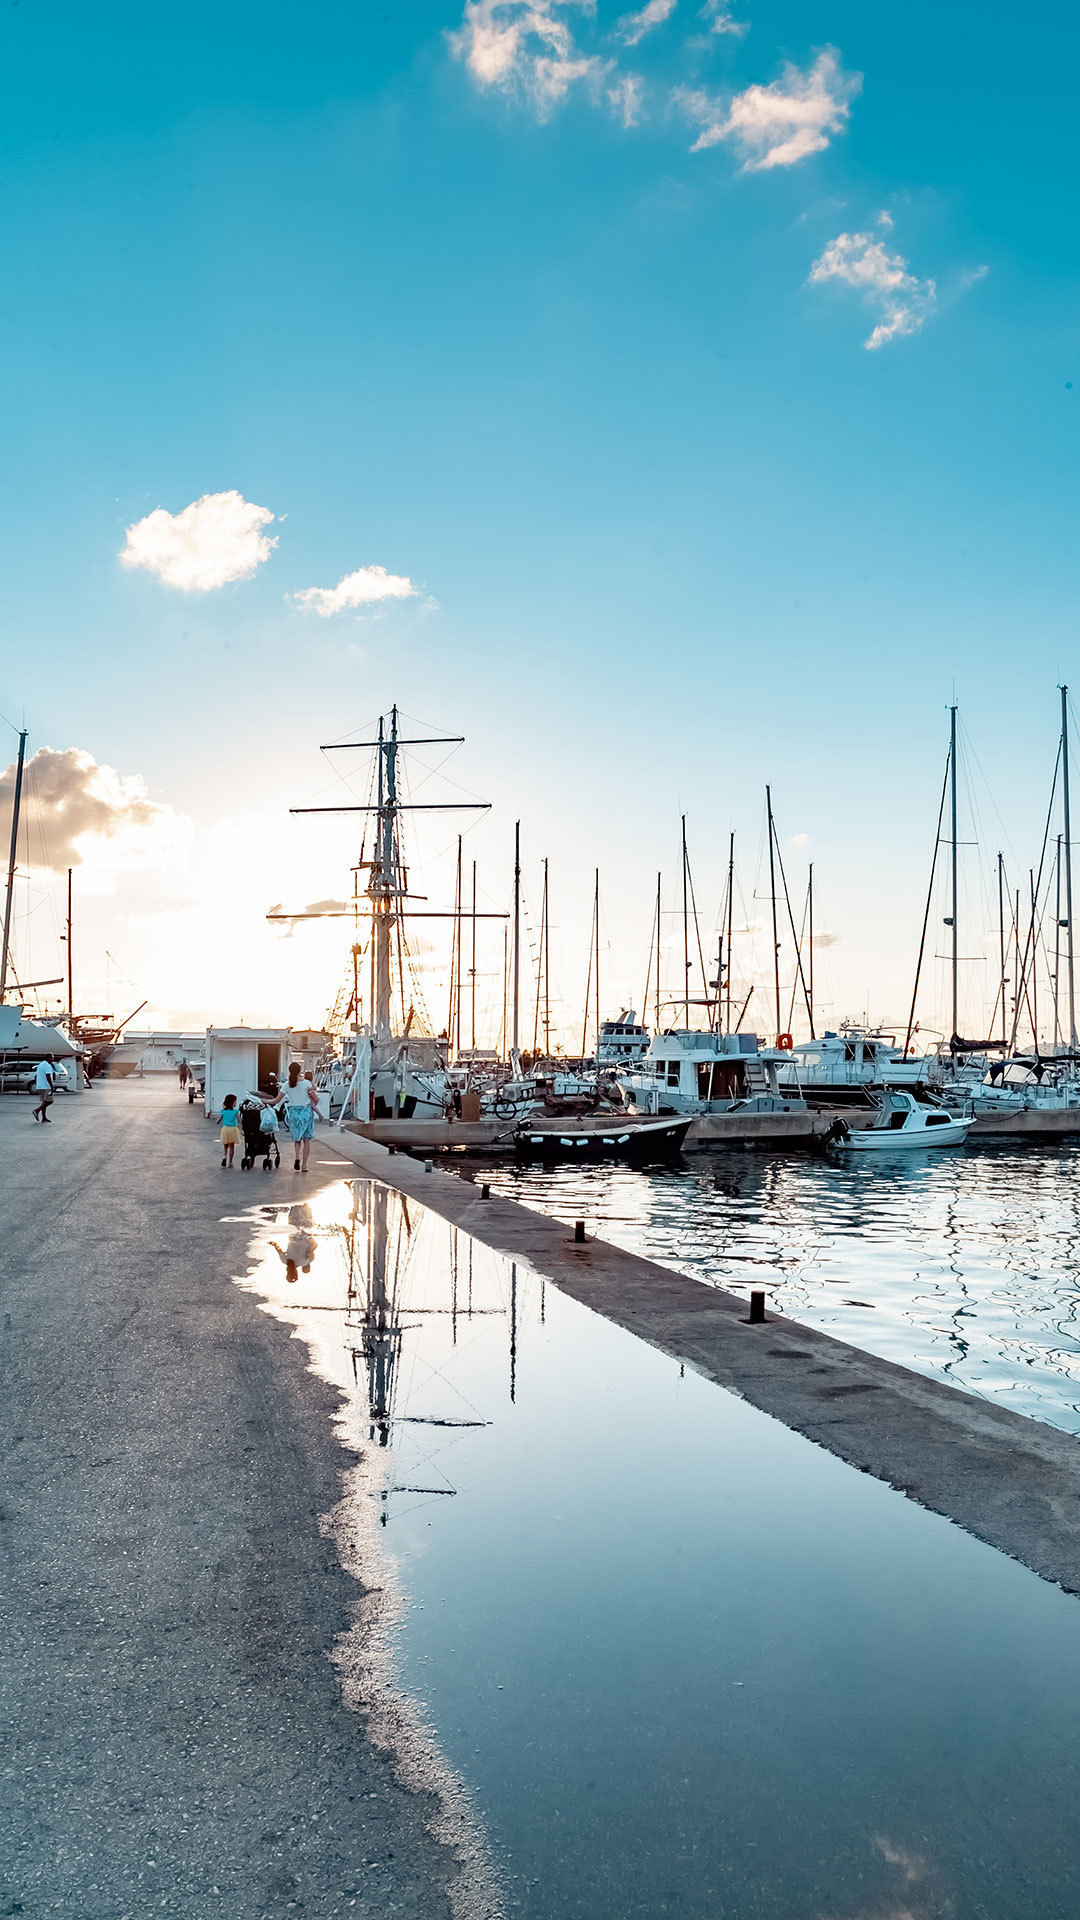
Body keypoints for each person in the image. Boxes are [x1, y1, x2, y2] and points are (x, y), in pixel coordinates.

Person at [281, 1061, 319, 1173]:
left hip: (294, 1113)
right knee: (306, 1139)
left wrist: (266, 1101)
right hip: (306, 1112)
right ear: (300, 1071)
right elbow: (316, 1098)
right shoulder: (307, 1083)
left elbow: (276, 1100)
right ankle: (304, 1165)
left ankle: (297, 1156)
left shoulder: (286, 1085)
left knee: (297, 1139)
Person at [32, 1054, 58, 1123]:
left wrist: (37, 1084)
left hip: (40, 1086)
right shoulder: (47, 1065)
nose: (53, 1060)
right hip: (46, 1086)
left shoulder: (40, 1064)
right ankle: (36, 1111)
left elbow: (36, 1076)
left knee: (44, 1102)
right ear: (48, 1058)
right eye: (52, 1058)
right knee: (50, 1101)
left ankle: (44, 1118)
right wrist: (52, 1086)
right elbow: (48, 1076)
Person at [219, 1093, 241, 1168]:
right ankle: (230, 1162)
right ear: (232, 1103)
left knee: (225, 1145)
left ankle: (224, 1156)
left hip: (225, 1129)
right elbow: (240, 1121)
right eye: (235, 1102)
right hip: (232, 1129)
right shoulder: (235, 1112)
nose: (236, 1103)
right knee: (232, 1146)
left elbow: (218, 1121)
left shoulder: (223, 1111)